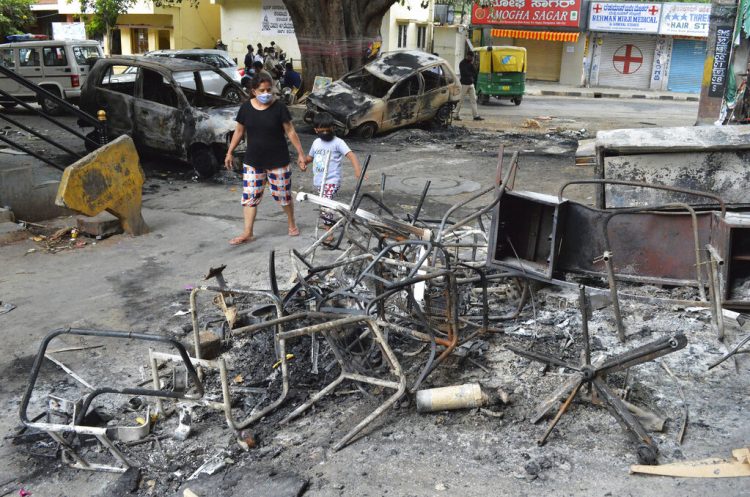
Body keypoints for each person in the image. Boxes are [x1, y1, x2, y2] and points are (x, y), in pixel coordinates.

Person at [224, 73, 306, 245]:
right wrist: (229, 152)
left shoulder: (279, 108)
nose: (266, 93)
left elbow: (290, 131)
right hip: (253, 161)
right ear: (254, 91)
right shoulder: (246, 108)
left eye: (269, 89)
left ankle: (291, 223)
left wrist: (300, 154)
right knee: (250, 196)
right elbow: (239, 132)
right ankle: (248, 232)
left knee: (283, 195)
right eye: (262, 90)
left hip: (278, 160)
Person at [303, 112, 362, 229]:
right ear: (316, 130)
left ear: (332, 128)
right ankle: (343, 216)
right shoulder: (316, 143)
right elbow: (310, 158)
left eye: (328, 130)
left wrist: (357, 170)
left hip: (332, 180)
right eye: (322, 131)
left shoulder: (338, 142)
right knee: (323, 203)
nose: (325, 133)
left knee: (326, 203)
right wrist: (303, 162)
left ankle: (328, 229)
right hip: (319, 180)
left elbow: (351, 155)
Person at [454, 51, 483, 121]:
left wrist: (473, 66)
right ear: (468, 56)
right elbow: (465, 73)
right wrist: (471, 73)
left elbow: (475, 73)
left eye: (472, 57)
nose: (472, 58)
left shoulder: (470, 63)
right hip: (464, 84)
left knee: (474, 100)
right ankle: (455, 115)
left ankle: (475, 116)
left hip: (471, 84)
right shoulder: (462, 63)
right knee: (460, 100)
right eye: (471, 57)